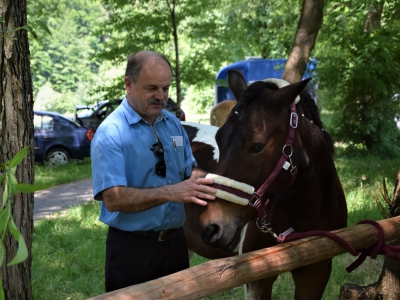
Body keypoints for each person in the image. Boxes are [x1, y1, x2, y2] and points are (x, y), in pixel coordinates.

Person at [90, 50, 217, 292]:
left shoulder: (172, 123)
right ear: (128, 84)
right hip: (133, 251)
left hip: (176, 244)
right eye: (152, 88)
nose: (161, 96)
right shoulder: (111, 133)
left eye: (166, 88)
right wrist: (171, 192)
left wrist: (214, 181)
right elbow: (113, 199)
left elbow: (190, 171)